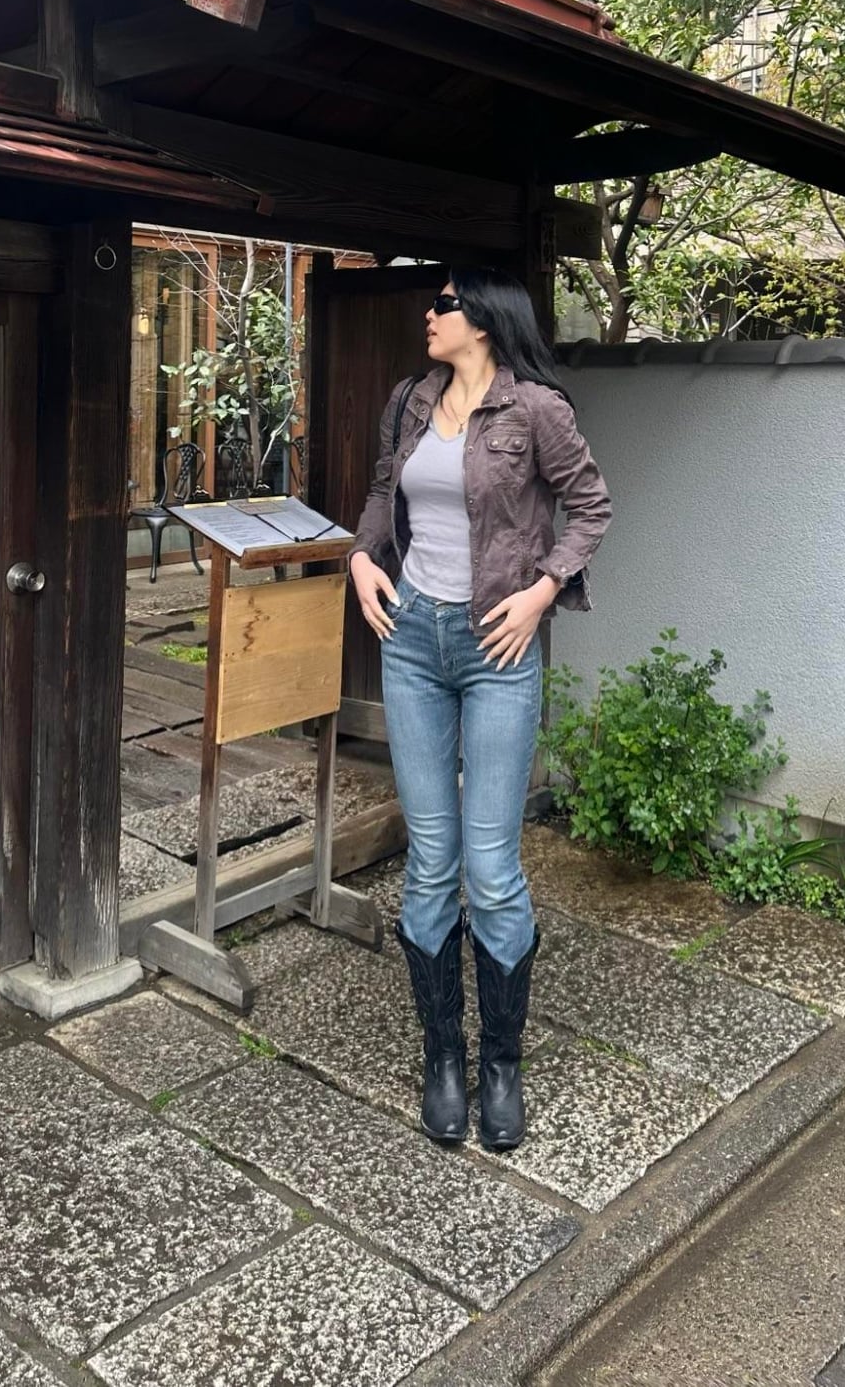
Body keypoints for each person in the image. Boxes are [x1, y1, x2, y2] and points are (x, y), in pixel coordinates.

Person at [349, 267, 611, 1150]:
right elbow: (384, 493)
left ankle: (501, 1061)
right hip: (412, 641)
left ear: (487, 320)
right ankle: (444, 1058)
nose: (429, 313)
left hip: (497, 648)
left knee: (492, 868)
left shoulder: (536, 410)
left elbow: (591, 506)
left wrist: (542, 592)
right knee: (431, 861)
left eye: (445, 303)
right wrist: (363, 557)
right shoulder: (410, 400)